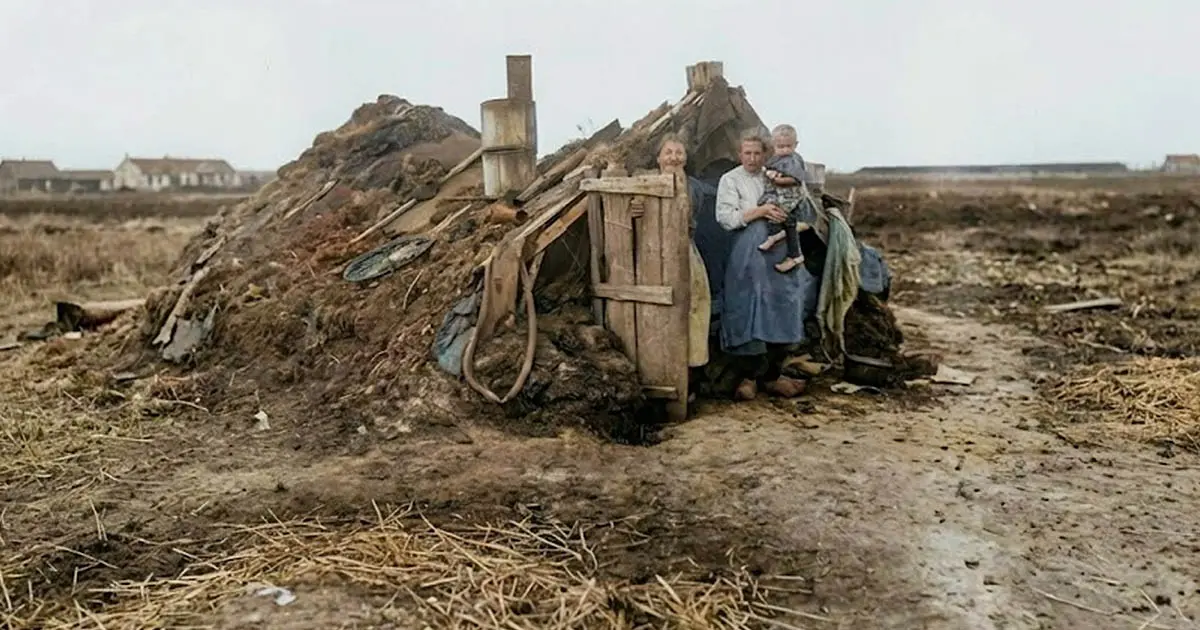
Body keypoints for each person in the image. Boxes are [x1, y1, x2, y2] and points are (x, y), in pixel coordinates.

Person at [715, 130, 814, 401]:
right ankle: (749, 377)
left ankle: (773, 376)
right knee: (750, 309)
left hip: (781, 251)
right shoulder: (730, 180)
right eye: (747, 153)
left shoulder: (777, 175)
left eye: (757, 153)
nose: (752, 158)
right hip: (749, 253)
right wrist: (760, 211)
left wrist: (788, 217)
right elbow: (725, 218)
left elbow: (806, 212)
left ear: (765, 154)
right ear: (739, 154)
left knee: (786, 304)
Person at [655, 134, 711, 369]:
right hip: (653, 253)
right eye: (668, 152)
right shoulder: (645, 182)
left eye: (679, 153)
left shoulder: (694, 188)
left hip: (685, 249)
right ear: (658, 158)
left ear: (686, 158)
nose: (674, 158)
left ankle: (692, 368)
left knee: (696, 302)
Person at [756, 126, 815, 273]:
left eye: (788, 146)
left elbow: (795, 179)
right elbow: (768, 167)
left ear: (796, 145)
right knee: (767, 206)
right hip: (777, 192)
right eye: (780, 146)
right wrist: (768, 172)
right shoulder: (776, 158)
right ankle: (791, 251)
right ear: (773, 145)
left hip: (790, 194)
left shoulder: (794, 160)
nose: (784, 150)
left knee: (775, 209)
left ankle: (776, 233)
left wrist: (778, 180)